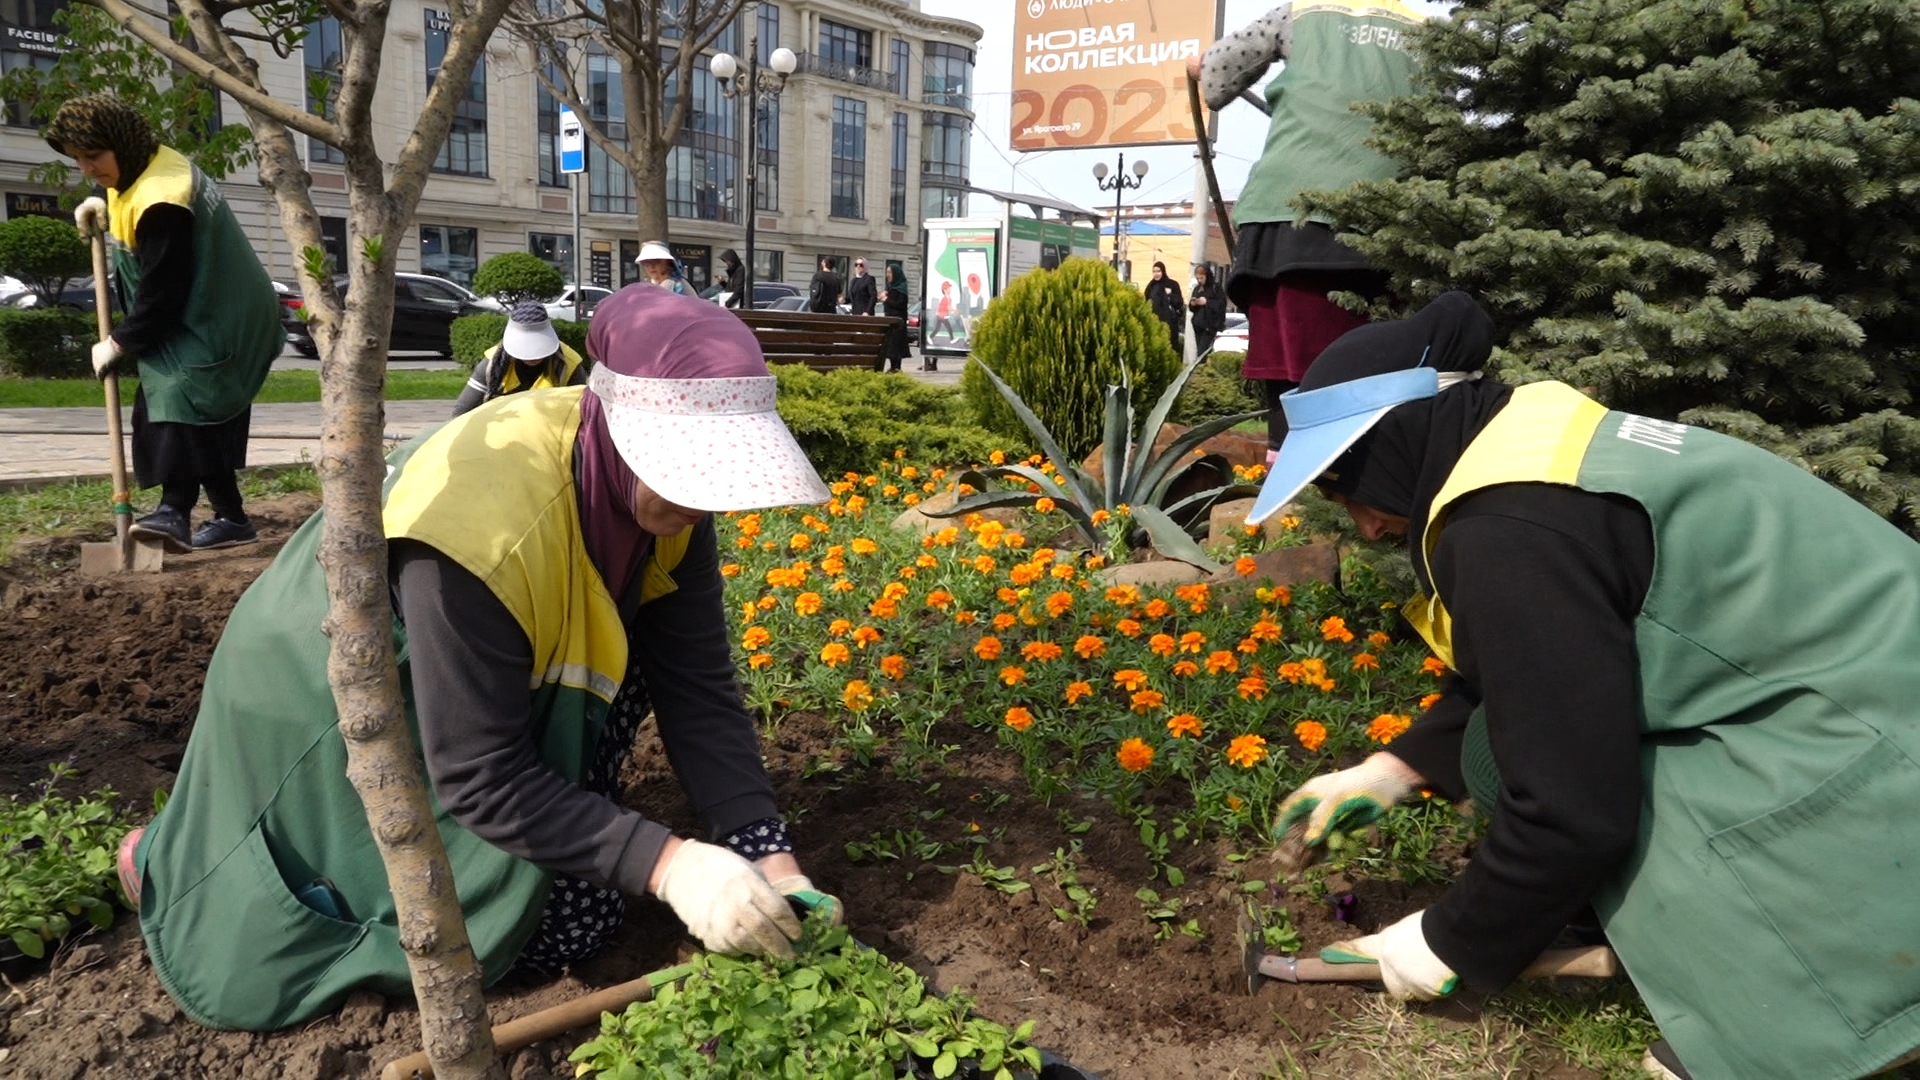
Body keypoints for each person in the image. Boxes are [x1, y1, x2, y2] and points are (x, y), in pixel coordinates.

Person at [113, 285, 843, 1031]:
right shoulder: (478, 530)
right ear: (619, 426)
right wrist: (671, 866)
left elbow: (698, 688)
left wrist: (770, 859)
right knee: (576, 919)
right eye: (691, 469)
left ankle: (558, 826)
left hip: (466, 684)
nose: (707, 497)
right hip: (322, 703)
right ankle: (177, 859)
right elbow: (477, 774)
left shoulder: (668, 497)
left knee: (610, 782)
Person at [1246, 291, 1920, 1080]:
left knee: (1578, 780)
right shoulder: (1537, 448)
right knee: (1501, 750)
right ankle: (1656, 930)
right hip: (1860, 691)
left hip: (1877, 749)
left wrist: (1451, 944)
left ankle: (1826, 1009)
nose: (1364, 527)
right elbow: (1542, 675)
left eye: (1349, 490)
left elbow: (1574, 809)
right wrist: (1390, 772)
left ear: (1393, 442)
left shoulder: (1508, 531)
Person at [45, 94, 281, 552]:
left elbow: (162, 291)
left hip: (218, 316)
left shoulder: (163, 201)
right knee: (196, 414)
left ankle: (174, 512)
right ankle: (232, 518)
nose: (86, 169)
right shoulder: (143, 164)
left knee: (172, 400)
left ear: (120, 144)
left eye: (93, 158)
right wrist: (102, 203)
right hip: (202, 307)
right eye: (79, 160)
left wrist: (119, 341)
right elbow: (134, 211)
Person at [1197, 0, 1419, 456]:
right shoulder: (1425, 33)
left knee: (1291, 379)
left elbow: (1216, 80)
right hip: (1383, 224)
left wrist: (1194, 65)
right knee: (1369, 381)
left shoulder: (1298, 13)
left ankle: (1290, 497)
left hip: (1285, 214)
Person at [451, 300, 588, 417]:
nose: (532, 355)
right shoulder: (492, 365)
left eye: (537, 344)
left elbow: (584, 414)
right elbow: (461, 412)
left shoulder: (568, 364)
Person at [1187, 264, 1228, 356]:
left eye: (1201, 278)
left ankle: (1201, 368)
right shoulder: (1197, 288)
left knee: (1202, 352)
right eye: (1198, 278)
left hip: (1210, 325)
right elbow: (1191, 308)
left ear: (1207, 276)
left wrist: (1207, 302)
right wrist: (1193, 304)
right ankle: (1201, 368)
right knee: (1200, 352)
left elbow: (1221, 304)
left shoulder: (1215, 287)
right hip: (1198, 325)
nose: (1200, 280)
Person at [1142, 261, 1184, 350]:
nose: (1156, 274)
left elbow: (1179, 303)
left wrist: (1170, 294)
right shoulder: (1151, 286)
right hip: (1154, 322)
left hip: (1169, 323)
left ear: (1163, 271)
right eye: (1154, 271)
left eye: (1158, 271)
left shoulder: (1172, 284)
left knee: (1170, 346)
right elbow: (1146, 302)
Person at [879, 265, 911, 373]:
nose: (887, 275)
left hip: (898, 322)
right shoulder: (891, 287)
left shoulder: (901, 288)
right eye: (887, 272)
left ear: (896, 274)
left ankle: (897, 367)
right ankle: (893, 367)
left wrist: (886, 299)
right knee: (891, 345)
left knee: (897, 345)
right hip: (890, 320)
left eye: (890, 273)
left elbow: (900, 304)